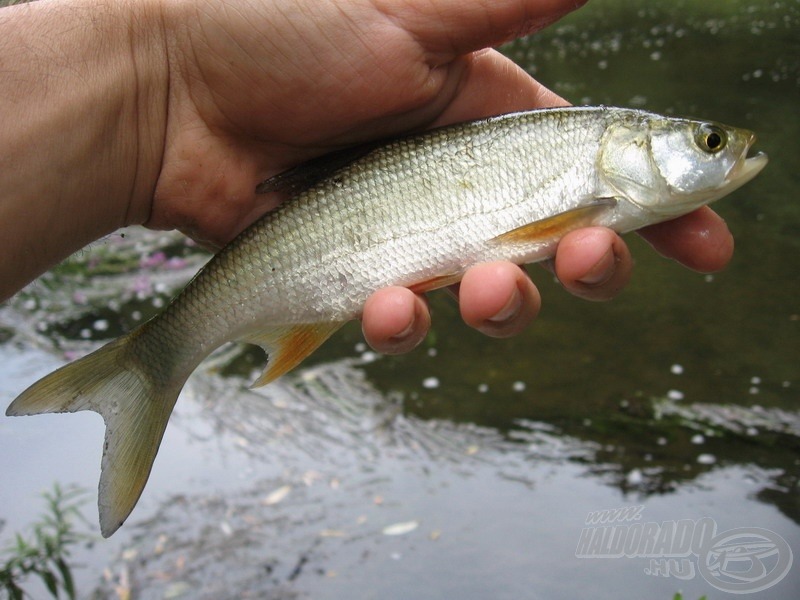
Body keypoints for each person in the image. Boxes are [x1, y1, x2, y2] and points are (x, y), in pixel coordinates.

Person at [0, 0, 733, 355]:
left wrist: (160, 73)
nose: (724, 152)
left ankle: (166, 355)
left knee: (474, 289)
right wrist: (165, 67)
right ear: (628, 147)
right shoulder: (592, 158)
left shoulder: (591, 164)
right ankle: (159, 358)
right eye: (709, 141)